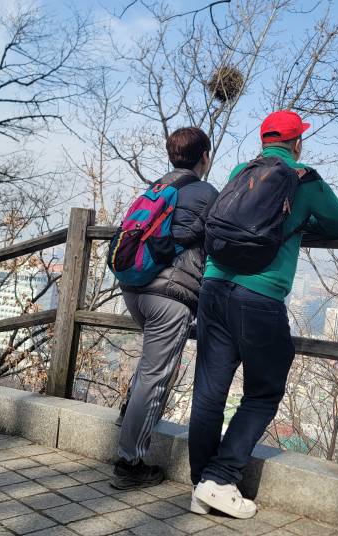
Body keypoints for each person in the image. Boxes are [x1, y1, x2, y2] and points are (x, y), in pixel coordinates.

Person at [188, 111, 338, 518]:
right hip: (258, 296)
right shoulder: (303, 177)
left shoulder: (242, 170)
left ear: (264, 141)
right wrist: (302, 218)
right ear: (297, 143)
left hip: (212, 285)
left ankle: (201, 483)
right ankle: (220, 479)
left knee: (209, 390)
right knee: (263, 390)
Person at [110, 126, 218, 490]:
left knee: (149, 369)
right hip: (170, 297)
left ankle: (129, 425)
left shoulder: (155, 188)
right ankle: (129, 464)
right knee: (156, 376)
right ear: (204, 156)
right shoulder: (207, 193)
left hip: (134, 289)